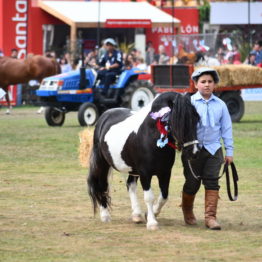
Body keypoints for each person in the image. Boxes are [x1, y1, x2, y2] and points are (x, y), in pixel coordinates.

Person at [181, 67, 234, 230]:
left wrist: (229, 151)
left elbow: (226, 128)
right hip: (192, 150)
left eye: (210, 82)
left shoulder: (221, 105)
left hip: (214, 149)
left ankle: (210, 217)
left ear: (215, 85)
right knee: (192, 182)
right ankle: (187, 210)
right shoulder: (188, 102)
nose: (207, 85)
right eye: (203, 82)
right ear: (195, 84)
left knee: (212, 181)